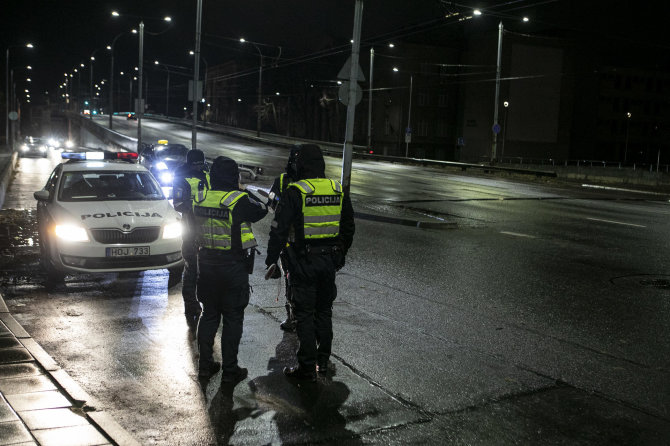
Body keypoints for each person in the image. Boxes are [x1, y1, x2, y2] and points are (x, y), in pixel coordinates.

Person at [265, 145, 355, 381]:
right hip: (328, 262)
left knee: (304, 314)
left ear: (300, 164)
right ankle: (323, 363)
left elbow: (278, 230)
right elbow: (348, 227)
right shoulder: (337, 189)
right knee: (324, 312)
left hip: (303, 261)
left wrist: (271, 259)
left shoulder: (296, 192)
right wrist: (339, 252)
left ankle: (306, 367)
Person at [192, 156, 268, 381]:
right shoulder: (239, 200)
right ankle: (230, 370)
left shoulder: (200, 198)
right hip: (232, 266)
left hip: (206, 264)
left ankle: (205, 366)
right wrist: (243, 189)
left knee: (209, 315)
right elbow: (262, 209)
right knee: (233, 318)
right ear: (235, 177)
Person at [173, 149, 210, 327]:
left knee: (208, 270)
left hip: (208, 231)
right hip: (190, 230)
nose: (199, 166)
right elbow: (179, 204)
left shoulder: (207, 175)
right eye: (196, 164)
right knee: (191, 270)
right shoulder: (181, 178)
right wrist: (200, 207)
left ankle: (207, 304)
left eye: (201, 163)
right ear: (190, 163)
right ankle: (191, 306)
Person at [267, 145, 302, 332]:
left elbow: (271, 205)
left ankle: (293, 317)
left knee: (291, 278)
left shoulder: (281, 180)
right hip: (316, 242)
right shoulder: (321, 182)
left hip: (289, 241)